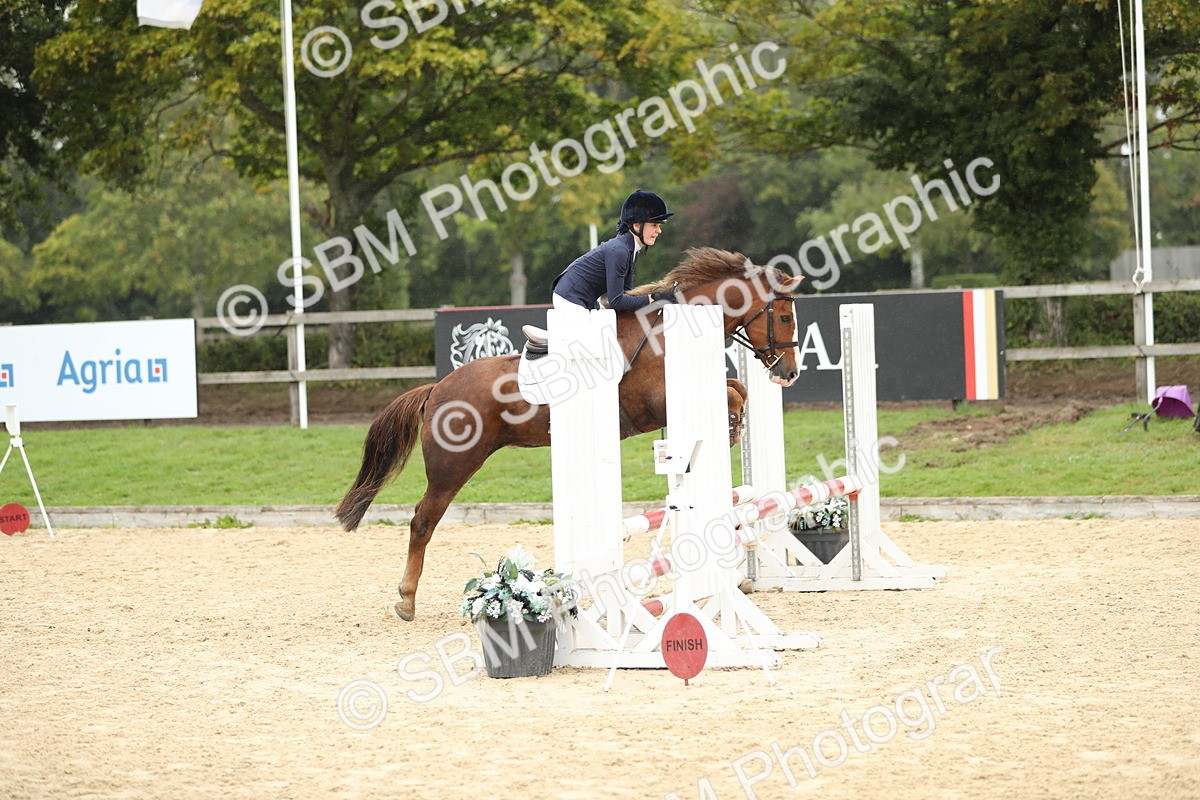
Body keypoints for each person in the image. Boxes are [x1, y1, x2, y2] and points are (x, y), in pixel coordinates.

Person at [551, 190, 681, 311]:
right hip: (569, 297)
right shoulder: (620, 251)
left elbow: (627, 295)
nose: (659, 230)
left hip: (586, 298)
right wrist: (653, 298)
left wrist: (655, 298)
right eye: (654, 225)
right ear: (637, 225)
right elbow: (617, 302)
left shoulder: (631, 250)